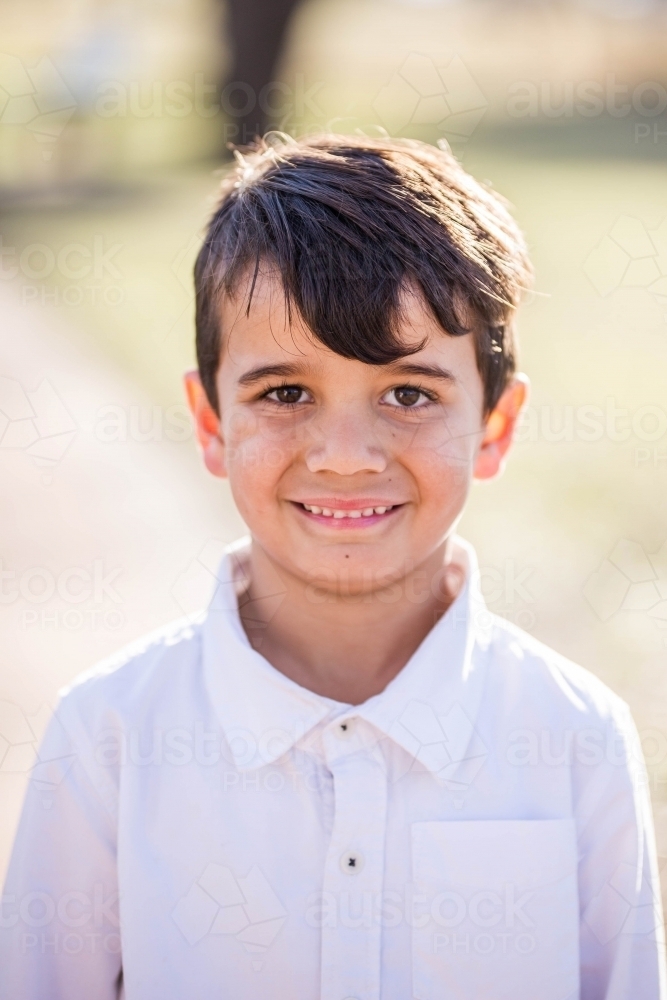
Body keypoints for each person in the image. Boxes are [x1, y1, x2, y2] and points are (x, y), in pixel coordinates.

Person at [1, 135, 664, 999]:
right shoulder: (109, 738)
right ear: (210, 423)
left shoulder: (575, 736)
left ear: (495, 427)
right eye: (285, 393)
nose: (346, 458)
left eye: (408, 395)